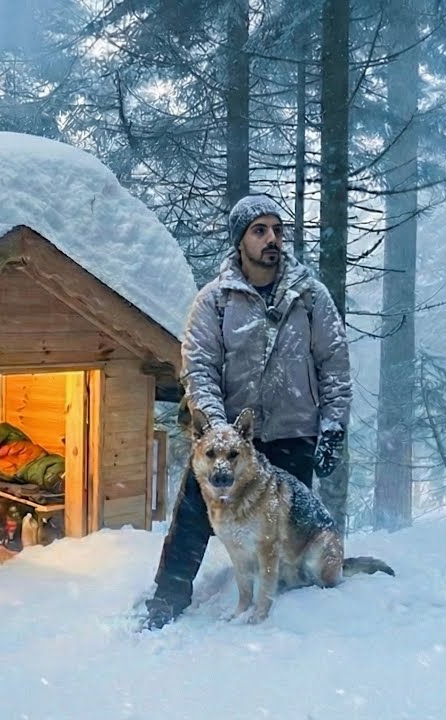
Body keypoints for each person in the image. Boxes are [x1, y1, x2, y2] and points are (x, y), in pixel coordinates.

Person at [142, 193, 352, 630]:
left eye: (277, 230)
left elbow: (334, 361)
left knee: (285, 530)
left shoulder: (310, 297)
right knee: (193, 519)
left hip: (294, 433)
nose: (272, 238)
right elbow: (198, 366)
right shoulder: (215, 301)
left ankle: (288, 604)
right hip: (231, 442)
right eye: (260, 231)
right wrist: (218, 430)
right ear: (241, 242)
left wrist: (333, 425)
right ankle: (170, 594)